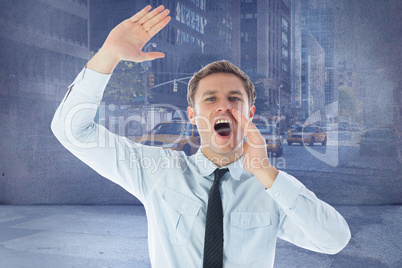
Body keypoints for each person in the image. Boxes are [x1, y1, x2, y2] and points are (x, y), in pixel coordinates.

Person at [51, 5, 350, 268]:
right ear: (192, 115)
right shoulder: (157, 172)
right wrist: (109, 55)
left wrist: (265, 171)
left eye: (235, 98)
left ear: (250, 113)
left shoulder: (270, 190)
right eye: (210, 99)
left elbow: (333, 240)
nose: (224, 105)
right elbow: (72, 131)